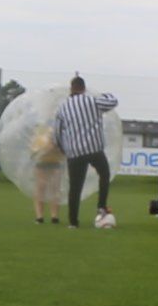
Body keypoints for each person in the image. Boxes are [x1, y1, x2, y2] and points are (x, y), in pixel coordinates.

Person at [52, 75, 120, 230]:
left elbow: (57, 132)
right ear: (84, 88)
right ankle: (101, 206)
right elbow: (113, 101)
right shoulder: (92, 101)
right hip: (94, 148)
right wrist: (102, 94)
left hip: (74, 152)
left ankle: (73, 222)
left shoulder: (63, 107)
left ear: (71, 89)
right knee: (104, 174)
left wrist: (64, 149)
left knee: (75, 187)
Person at [25, 107, 67, 222]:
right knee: (41, 189)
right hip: (42, 164)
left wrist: (52, 148)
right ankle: (40, 216)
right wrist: (45, 150)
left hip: (55, 164)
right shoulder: (38, 136)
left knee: (54, 190)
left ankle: (54, 216)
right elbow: (33, 152)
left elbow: (63, 151)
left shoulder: (57, 134)